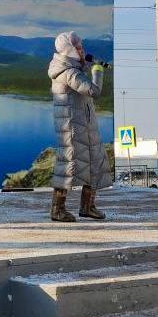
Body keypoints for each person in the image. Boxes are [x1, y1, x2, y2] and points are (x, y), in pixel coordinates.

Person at [48, 31, 112, 221]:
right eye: (77, 47)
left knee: (95, 163)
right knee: (68, 166)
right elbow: (93, 91)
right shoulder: (68, 72)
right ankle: (57, 209)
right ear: (68, 50)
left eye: (81, 46)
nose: (82, 50)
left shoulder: (73, 70)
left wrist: (85, 65)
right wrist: (97, 70)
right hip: (73, 127)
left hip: (84, 124)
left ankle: (88, 207)